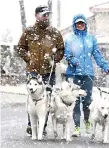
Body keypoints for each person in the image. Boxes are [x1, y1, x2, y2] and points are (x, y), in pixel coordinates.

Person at [16, 5, 64, 136]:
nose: (46, 17)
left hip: (49, 71)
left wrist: (55, 58)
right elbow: (20, 47)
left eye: (48, 14)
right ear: (36, 16)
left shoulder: (54, 32)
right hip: (33, 70)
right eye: (43, 14)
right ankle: (32, 124)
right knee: (33, 98)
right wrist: (28, 57)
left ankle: (43, 125)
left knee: (46, 99)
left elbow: (61, 49)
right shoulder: (29, 31)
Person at [64, 14, 109, 137]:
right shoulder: (70, 39)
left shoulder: (91, 39)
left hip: (88, 74)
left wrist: (104, 66)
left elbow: (97, 55)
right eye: (78, 23)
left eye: (82, 23)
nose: (80, 25)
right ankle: (77, 127)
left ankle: (87, 122)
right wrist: (73, 61)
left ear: (85, 25)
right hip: (73, 74)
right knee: (75, 101)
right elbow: (67, 55)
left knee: (87, 101)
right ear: (74, 25)